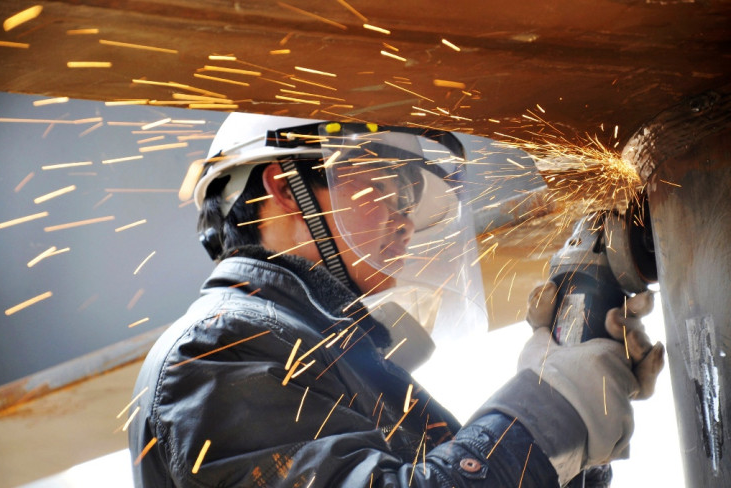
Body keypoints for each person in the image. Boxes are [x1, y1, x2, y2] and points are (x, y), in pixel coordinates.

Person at [128, 114, 665, 487]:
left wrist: (579, 444)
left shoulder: (338, 359)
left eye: (412, 195)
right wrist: (555, 403)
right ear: (286, 187)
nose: (405, 216)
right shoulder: (220, 347)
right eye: (385, 183)